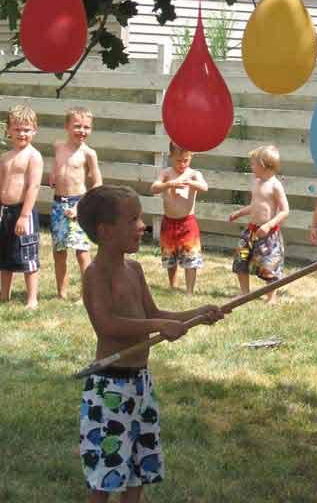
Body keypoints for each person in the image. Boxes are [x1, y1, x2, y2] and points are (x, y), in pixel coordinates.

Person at [77, 184, 225, 501]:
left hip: (140, 384)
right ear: (105, 231)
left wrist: (196, 313)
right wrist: (159, 325)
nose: (142, 226)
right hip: (111, 388)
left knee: (138, 468)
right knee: (106, 470)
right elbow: (106, 325)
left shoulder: (135, 268)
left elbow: (155, 313)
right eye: (132, 220)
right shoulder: (96, 274)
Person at [50, 105, 102, 299]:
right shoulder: (58, 146)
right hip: (58, 205)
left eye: (86, 127)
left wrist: (79, 206)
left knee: (82, 251)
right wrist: (53, 173)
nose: (82, 131)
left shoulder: (89, 153)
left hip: (78, 205)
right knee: (59, 251)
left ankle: (88, 294)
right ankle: (61, 293)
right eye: (77, 126)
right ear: (67, 127)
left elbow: (97, 183)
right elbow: (57, 163)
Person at [229, 145, 289, 304]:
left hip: (268, 234)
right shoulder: (256, 182)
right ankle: (244, 293)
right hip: (251, 231)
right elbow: (255, 205)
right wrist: (239, 213)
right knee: (241, 259)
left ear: (263, 165)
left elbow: (285, 210)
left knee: (269, 265)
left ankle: (271, 297)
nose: (251, 166)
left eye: (253, 164)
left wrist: (269, 225)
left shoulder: (275, 185)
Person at [0, 103, 43, 309]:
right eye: (17, 129)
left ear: (34, 130)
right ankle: (4, 294)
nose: (21, 133)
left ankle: (32, 298)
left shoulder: (34, 156)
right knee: (4, 254)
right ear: (8, 130)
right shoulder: (5, 158)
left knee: (28, 256)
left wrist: (24, 216)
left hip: (23, 211)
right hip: (5, 211)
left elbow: (34, 187)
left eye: (26, 129)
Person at [151, 142, 207, 295]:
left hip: (187, 223)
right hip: (169, 222)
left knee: (191, 257)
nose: (182, 164)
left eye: (186, 160)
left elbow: (204, 187)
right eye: (178, 160)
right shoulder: (166, 173)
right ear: (170, 157)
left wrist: (191, 183)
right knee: (170, 257)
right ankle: (172, 284)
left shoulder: (194, 174)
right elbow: (154, 187)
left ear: (191, 158)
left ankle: (189, 290)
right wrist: (169, 184)